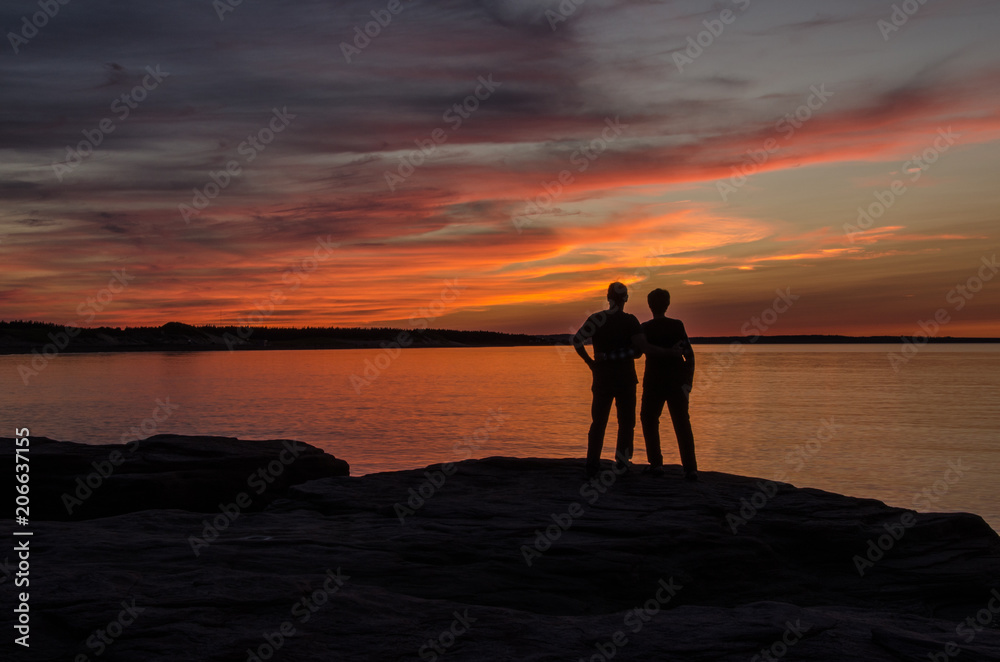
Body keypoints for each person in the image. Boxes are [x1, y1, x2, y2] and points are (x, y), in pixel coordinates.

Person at [574, 282, 678, 477]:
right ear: (626, 299)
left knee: (598, 422)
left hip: (603, 378)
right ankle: (622, 463)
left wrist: (590, 362)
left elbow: (576, 340)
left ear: (608, 298)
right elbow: (640, 349)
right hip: (626, 380)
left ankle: (592, 463)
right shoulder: (630, 321)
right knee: (626, 422)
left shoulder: (597, 319)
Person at [639, 288, 698, 480]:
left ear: (650, 305)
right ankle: (690, 468)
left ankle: (656, 464)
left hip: (654, 380)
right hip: (676, 380)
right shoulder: (677, 325)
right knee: (682, 422)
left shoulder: (645, 327)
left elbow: (639, 351)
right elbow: (689, 355)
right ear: (668, 304)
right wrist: (688, 381)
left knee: (649, 419)